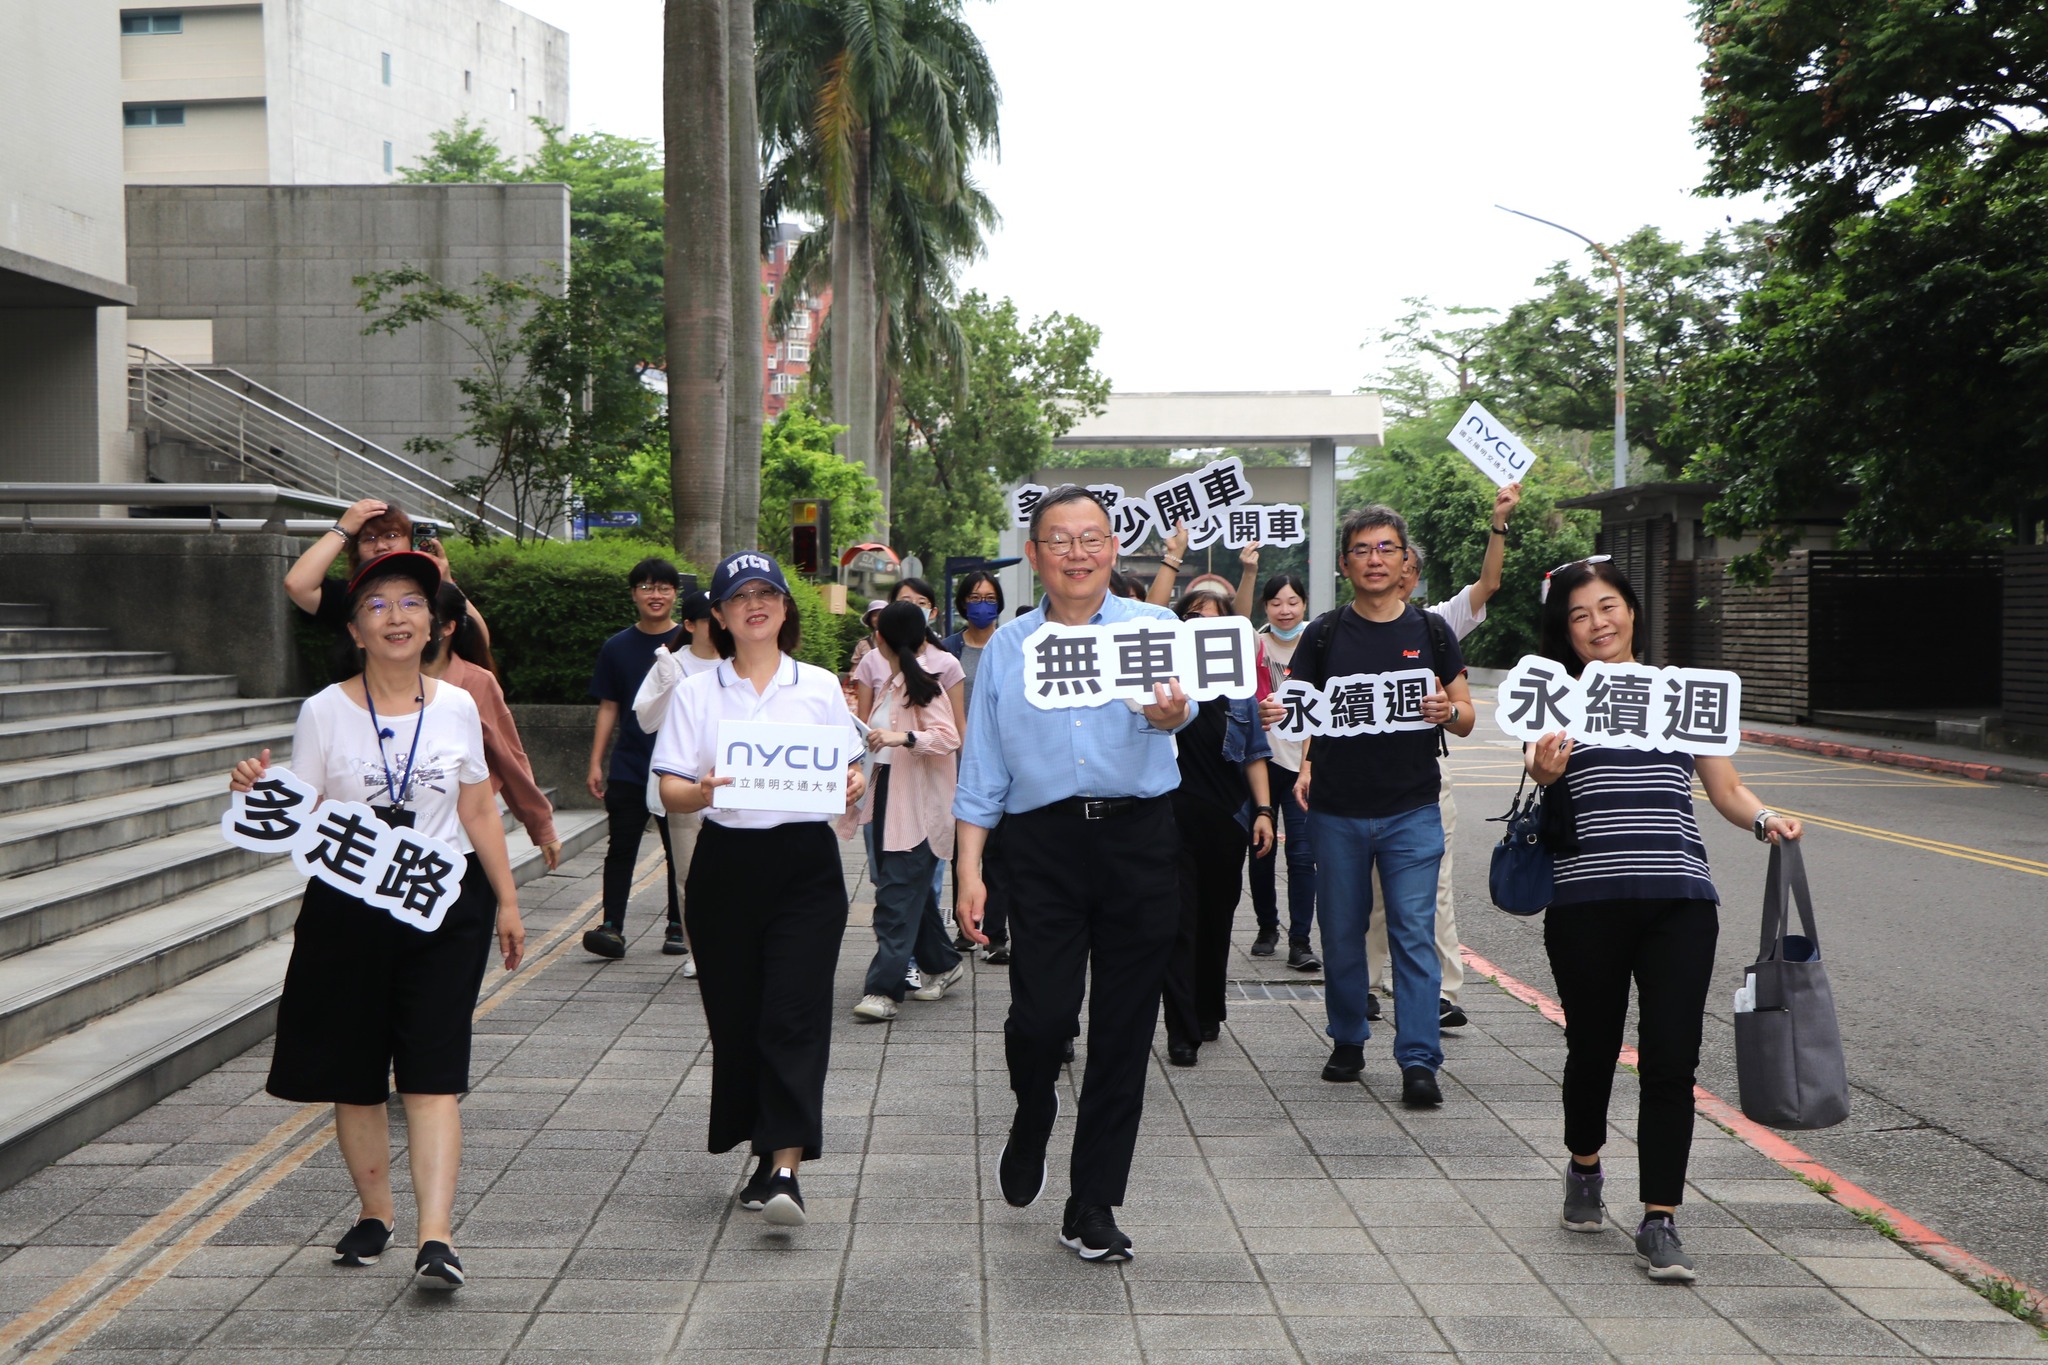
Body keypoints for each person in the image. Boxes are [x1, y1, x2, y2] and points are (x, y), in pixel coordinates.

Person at [229, 550, 523, 1290]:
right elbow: (302, 813)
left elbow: (478, 807)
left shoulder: (456, 703)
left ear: (435, 623)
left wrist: (508, 899)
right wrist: (257, 790)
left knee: (432, 1071)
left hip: (442, 903)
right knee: (356, 1075)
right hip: (351, 906)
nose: (397, 616)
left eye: (412, 603)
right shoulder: (324, 710)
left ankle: (436, 1236)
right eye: (378, 605)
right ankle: (376, 1211)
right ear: (355, 629)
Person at [1527, 557, 1802, 1283]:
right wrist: (1546, 772)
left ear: (1633, 611)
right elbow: (1536, 766)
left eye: (1609, 606)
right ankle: (1585, 1164)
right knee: (1592, 1048)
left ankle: (1660, 1218)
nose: (1598, 623)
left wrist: (1765, 817)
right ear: (1568, 630)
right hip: (1585, 901)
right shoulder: (1554, 695)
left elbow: (1728, 786)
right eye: (1581, 614)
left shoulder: (1680, 695)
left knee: (1672, 1060)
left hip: (1680, 899)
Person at [954, 485, 1193, 1264]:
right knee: (1042, 1018)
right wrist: (968, 866)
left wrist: (1171, 715)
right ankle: (1033, 1108)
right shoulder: (1008, 650)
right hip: (1043, 847)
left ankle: (1092, 1202)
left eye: (1092, 537)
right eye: (1060, 539)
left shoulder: (1155, 627)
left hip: (1140, 842)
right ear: (1034, 555)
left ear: (1113, 548)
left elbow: (1184, 711)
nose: (1078, 552)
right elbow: (982, 763)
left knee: (1125, 1031)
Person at [651, 552, 865, 1228]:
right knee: (740, 1019)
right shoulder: (695, 693)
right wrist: (706, 786)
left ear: (783, 606)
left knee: (795, 1013)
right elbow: (671, 789)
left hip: (805, 865)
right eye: (738, 596)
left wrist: (854, 783)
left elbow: (852, 768)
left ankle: (785, 1169)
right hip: (726, 867)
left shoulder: (820, 687)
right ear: (717, 615)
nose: (754, 603)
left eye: (766, 592)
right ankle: (764, 1145)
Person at [1286, 506, 1475, 1108]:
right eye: (1362, 550)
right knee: (1341, 933)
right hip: (1338, 811)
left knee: (1412, 933)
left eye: (1386, 548)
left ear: (1403, 562)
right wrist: (1282, 724)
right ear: (1345, 564)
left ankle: (1419, 1060)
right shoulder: (1323, 634)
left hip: (1412, 811)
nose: (1374, 559)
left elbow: (1466, 715)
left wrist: (1449, 711)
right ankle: (1347, 1037)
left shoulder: (1431, 631)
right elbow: (1298, 709)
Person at [1364, 480, 1525, 1029]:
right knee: (1373, 893)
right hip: (1362, 780)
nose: (1390, 567)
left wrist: (1498, 523)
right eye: (1377, 553)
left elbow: (1490, 581)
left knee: (1433, 888)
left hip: (1424, 775)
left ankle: (1441, 989)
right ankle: (1364, 982)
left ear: (1411, 569)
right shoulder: (1345, 630)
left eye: (1399, 557)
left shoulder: (1437, 624)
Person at [1161, 589, 1275, 1067]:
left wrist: (1265, 811)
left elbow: (1254, 753)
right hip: (1170, 819)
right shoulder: (1162, 685)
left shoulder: (1240, 690)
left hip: (1229, 820)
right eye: (1191, 619)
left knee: (1216, 919)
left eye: (1212, 621)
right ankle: (1181, 1029)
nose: (1200, 629)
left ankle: (1209, 1010)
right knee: (1179, 923)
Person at [846, 601, 968, 1021]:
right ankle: (943, 961)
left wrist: (904, 738)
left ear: (881, 639)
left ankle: (884, 990)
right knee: (909, 889)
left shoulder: (924, 686)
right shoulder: (894, 683)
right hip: (887, 797)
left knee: (897, 895)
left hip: (916, 804)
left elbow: (947, 737)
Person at [583, 558, 689, 960]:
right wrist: (596, 762)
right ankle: (612, 926)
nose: (655, 595)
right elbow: (609, 707)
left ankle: (679, 924)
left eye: (663, 587)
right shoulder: (617, 646)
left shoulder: (690, 641)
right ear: (633, 594)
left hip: (677, 767)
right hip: (630, 765)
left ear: (675, 593)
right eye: (646, 587)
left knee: (679, 848)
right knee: (621, 846)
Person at [422, 583, 561, 873]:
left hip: (465, 833)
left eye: (416, 608)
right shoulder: (377, 683)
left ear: (446, 628)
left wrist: (541, 825)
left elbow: (509, 757)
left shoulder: (477, 683)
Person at [631, 588, 725, 976]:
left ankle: (730, 943)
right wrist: (668, 683)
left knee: (731, 872)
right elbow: (646, 721)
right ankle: (697, 949)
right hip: (685, 786)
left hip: (732, 784)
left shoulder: (739, 663)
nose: (720, 626)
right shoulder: (672, 664)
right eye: (710, 619)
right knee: (688, 873)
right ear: (689, 624)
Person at [283, 498, 490, 665]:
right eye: (368, 539)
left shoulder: (434, 590)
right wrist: (343, 528)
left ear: (411, 541)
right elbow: (297, 584)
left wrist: (446, 580)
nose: (381, 546)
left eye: (391, 535)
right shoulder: (350, 595)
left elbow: (479, 640)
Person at [1247, 572, 1320, 970]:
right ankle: (1266, 927)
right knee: (1261, 848)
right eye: (1276, 602)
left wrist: (1309, 765)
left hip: (1302, 766)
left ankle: (1300, 940)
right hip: (1261, 760)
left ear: (1304, 604)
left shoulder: (1319, 642)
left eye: (1292, 601)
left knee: (1302, 854)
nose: (1285, 610)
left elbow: (1322, 711)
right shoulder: (1254, 645)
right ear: (1266, 607)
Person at [940, 571, 1006, 955]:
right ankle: (967, 928)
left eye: (989, 597)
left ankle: (997, 935)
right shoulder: (948, 649)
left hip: (1004, 761)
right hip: (959, 763)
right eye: (975, 598)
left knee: (1000, 853)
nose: (983, 604)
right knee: (963, 851)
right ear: (963, 603)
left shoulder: (1011, 644)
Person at [1146, 523, 1259, 614]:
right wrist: (1175, 553)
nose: (1204, 623)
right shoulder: (1175, 638)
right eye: (1195, 616)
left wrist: (1250, 572)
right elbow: (1153, 612)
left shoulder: (1232, 638)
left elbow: (1240, 620)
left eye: (1215, 619)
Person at [848, 599, 888, 671]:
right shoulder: (863, 643)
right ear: (869, 619)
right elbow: (854, 669)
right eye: (875, 615)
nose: (878, 619)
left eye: (882, 615)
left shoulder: (896, 642)